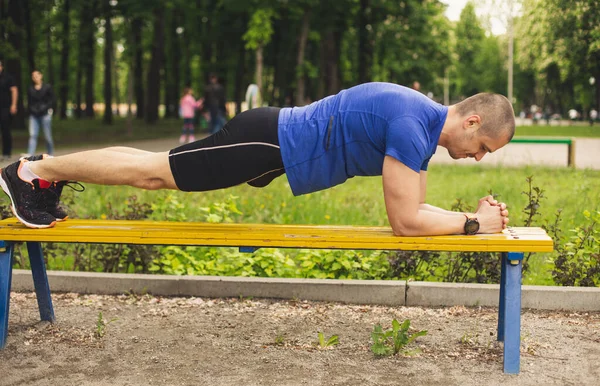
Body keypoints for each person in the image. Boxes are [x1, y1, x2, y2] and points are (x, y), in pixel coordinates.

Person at [0, 82, 512, 235]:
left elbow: (418, 212)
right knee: (152, 173)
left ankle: (42, 174)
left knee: (153, 170)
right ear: (471, 122)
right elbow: (405, 221)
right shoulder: (410, 122)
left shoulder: (421, 127)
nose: (479, 159)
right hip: (267, 141)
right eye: (484, 148)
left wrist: (473, 222)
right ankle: (35, 171)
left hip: (275, 147)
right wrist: (474, 224)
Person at [26, 70, 56, 156]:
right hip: (34, 115)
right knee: (33, 135)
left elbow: (52, 100)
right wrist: (31, 109)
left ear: (41, 76)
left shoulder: (47, 87)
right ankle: (30, 154)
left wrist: (46, 108)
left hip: (45, 114)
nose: (35, 78)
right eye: (33, 76)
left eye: (36, 75)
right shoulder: (30, 89)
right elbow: (29, 101)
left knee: (47, 136)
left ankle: (50, 153)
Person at [0, 60, 18, 160]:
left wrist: (14, 104)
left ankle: (6, 153)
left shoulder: (8, 77)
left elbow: (14, 90)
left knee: (5, 130)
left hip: (5, 108)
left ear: (1, 67)